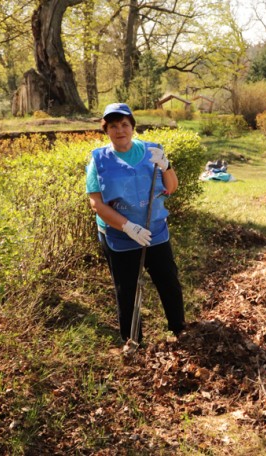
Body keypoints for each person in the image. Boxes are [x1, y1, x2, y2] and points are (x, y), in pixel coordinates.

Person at [85, 103, 185, 343]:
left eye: (124, 125)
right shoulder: (99, 160)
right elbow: (97, 204)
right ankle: (133, 341)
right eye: (113, 126)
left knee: (168, 280)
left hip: (154, 229)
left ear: (132, 127)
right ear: (106, 130)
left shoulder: (152, 152)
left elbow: (170, 188)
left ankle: (180, 330)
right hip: (119, 235)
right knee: (126, 289)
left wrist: (166, 166)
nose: (120, 130)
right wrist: (127, 226)